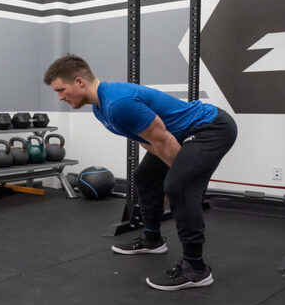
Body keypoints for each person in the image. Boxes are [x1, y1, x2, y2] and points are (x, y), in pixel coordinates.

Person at [43, 54, 237, 291]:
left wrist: (174, 181)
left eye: (61, 89)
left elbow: (164, 139)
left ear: (80, 82)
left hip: (210, 127)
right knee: (145, 177)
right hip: (178, 135)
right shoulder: (100, 108)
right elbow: (147, 139)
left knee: (179, 188)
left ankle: (196, 270)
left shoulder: (118, 103)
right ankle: (152, 240)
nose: (61, 97)